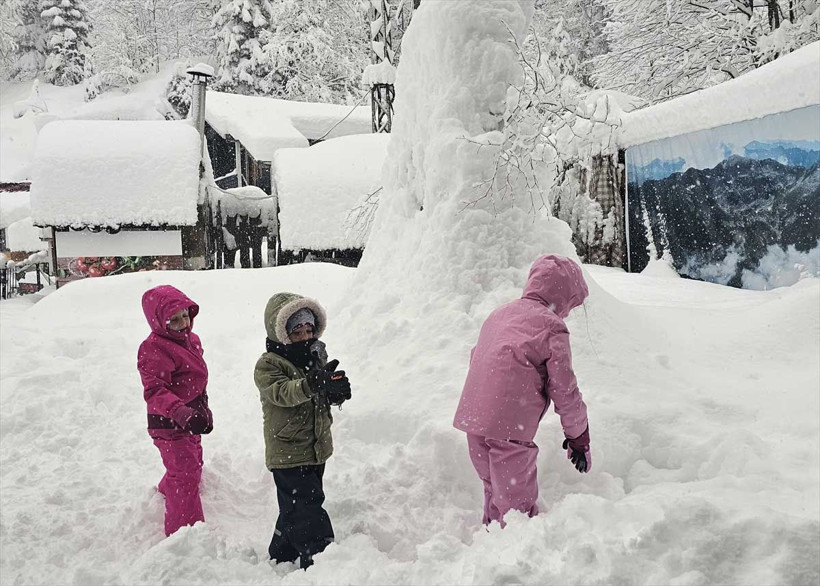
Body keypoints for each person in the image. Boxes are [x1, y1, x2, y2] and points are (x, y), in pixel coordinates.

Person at [453, 254, 591, 526]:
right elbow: (564, 388)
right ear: (563, 296)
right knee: (517, 509)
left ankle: (490, 543)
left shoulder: (499, 314)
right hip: (509, 427)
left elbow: (478, 358)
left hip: (474, 420)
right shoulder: (552, 327)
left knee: (494, 491)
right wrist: (578, 435)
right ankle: (516, 558)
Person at [254, 293, 351, 570]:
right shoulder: (269, 363)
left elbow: (318, 393)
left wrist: (335, 392)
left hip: (315, 446)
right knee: (307, 507)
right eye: (297, 331)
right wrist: (311, 383)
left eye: (309, 329)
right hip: (287, 450)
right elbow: (282, 393)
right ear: (281, 332)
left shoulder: (315, 356)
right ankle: (320, 559)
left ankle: (282, 550)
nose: (305, 335)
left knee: (297, 505)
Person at [137, 285, 213, 536]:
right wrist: (181, 413)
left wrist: (203, 409)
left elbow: (196, 381)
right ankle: (186, 535)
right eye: (174, 319)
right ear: (158, 321)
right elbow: (155, 391)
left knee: (192, 461)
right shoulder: (153, 348)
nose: (183, 323)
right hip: (168, 423)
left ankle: (169, 489)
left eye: (185, 315)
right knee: (185, 472)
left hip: (191, 416)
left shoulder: (191, 341)